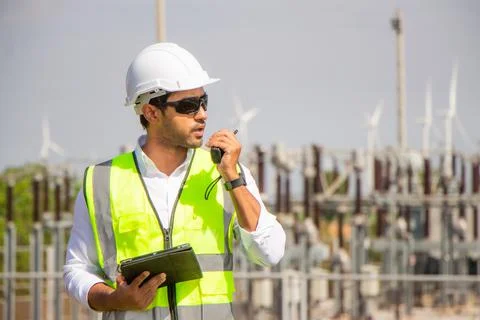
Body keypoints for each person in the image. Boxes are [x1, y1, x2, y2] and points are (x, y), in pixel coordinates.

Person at [64, 42, 286, 320]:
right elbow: (77, 269)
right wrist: (113, 298)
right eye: (188, 106)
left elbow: (270, 253)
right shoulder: (100, 181)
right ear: (151, 113)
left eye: (204, 102)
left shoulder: (227, 172)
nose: (202, 114)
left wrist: (233, 178)